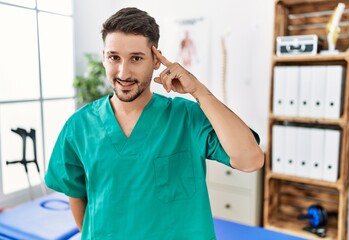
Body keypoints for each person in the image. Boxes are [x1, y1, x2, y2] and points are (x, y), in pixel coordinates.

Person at [44, 7, 264, 240]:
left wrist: (199, 91)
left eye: (136, 58)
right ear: (104, 57)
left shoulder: (187, 118)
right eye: (114, 57)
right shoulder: (79, 126)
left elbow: (251, 160)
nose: (123, 72)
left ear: (156, 59)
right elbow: (76, 195)